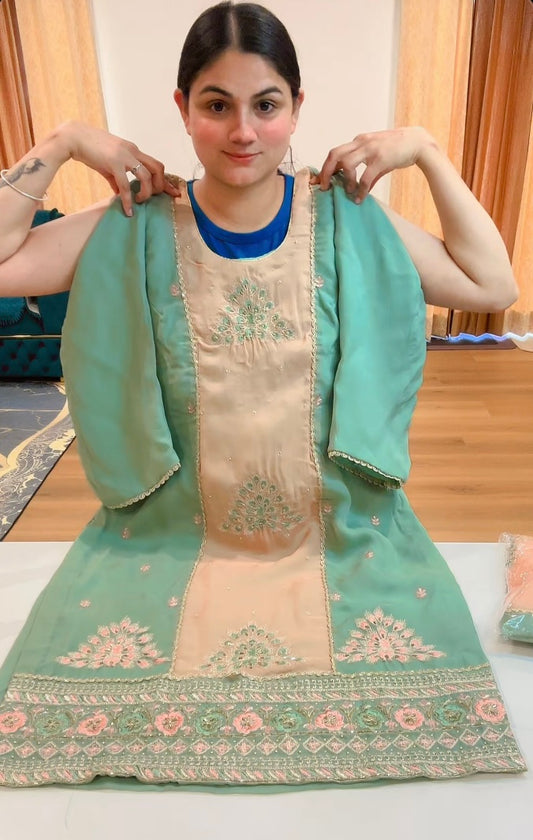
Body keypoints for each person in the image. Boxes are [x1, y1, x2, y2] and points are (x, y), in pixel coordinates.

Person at [0, 2, 525, 789]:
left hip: (336, 533)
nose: (243, 131)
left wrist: (423, 150)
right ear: (182, 110)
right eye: (216, 105)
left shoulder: (345, 220)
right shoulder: (136, 224)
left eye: (266, 104)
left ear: (296, 108)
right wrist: (67, 139)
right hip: (172, 531)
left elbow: (492, 285)